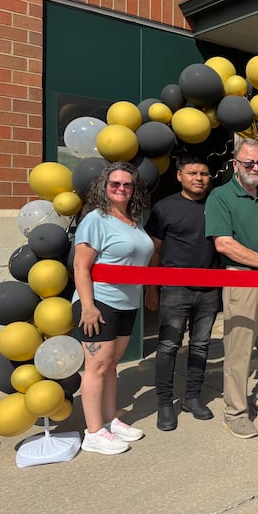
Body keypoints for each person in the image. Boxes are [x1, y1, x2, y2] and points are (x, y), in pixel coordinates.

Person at [205, 137, 258, 439]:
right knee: (239, 350)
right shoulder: (221, 196)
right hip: (242, 281)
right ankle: (235, 412)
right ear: (235, 165)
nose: (256, 168)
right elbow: (223, 243)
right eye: (249, 163)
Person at [72, 161, 154, 455]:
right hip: (101, 302)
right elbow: (81, 266)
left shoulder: (133, 219)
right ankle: (93, 432)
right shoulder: (96, 219)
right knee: (97, 366)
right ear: (104, 188)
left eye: (127, 184)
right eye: (115, 184)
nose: (121, 189)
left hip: (128, 303)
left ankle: (109, 420)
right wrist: (88, 306)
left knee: (111, 366)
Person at [145, 154, 221, 431]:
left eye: (203, 173)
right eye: (193, 173)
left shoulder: (217, 205)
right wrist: (151, 288)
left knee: (201, 345)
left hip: (209, 289)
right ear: (179, 176)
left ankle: (192, 397)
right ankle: (165, 402)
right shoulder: (164, 208)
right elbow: (153, 250)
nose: (199, 178)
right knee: (168, 346)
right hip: (174, 290)